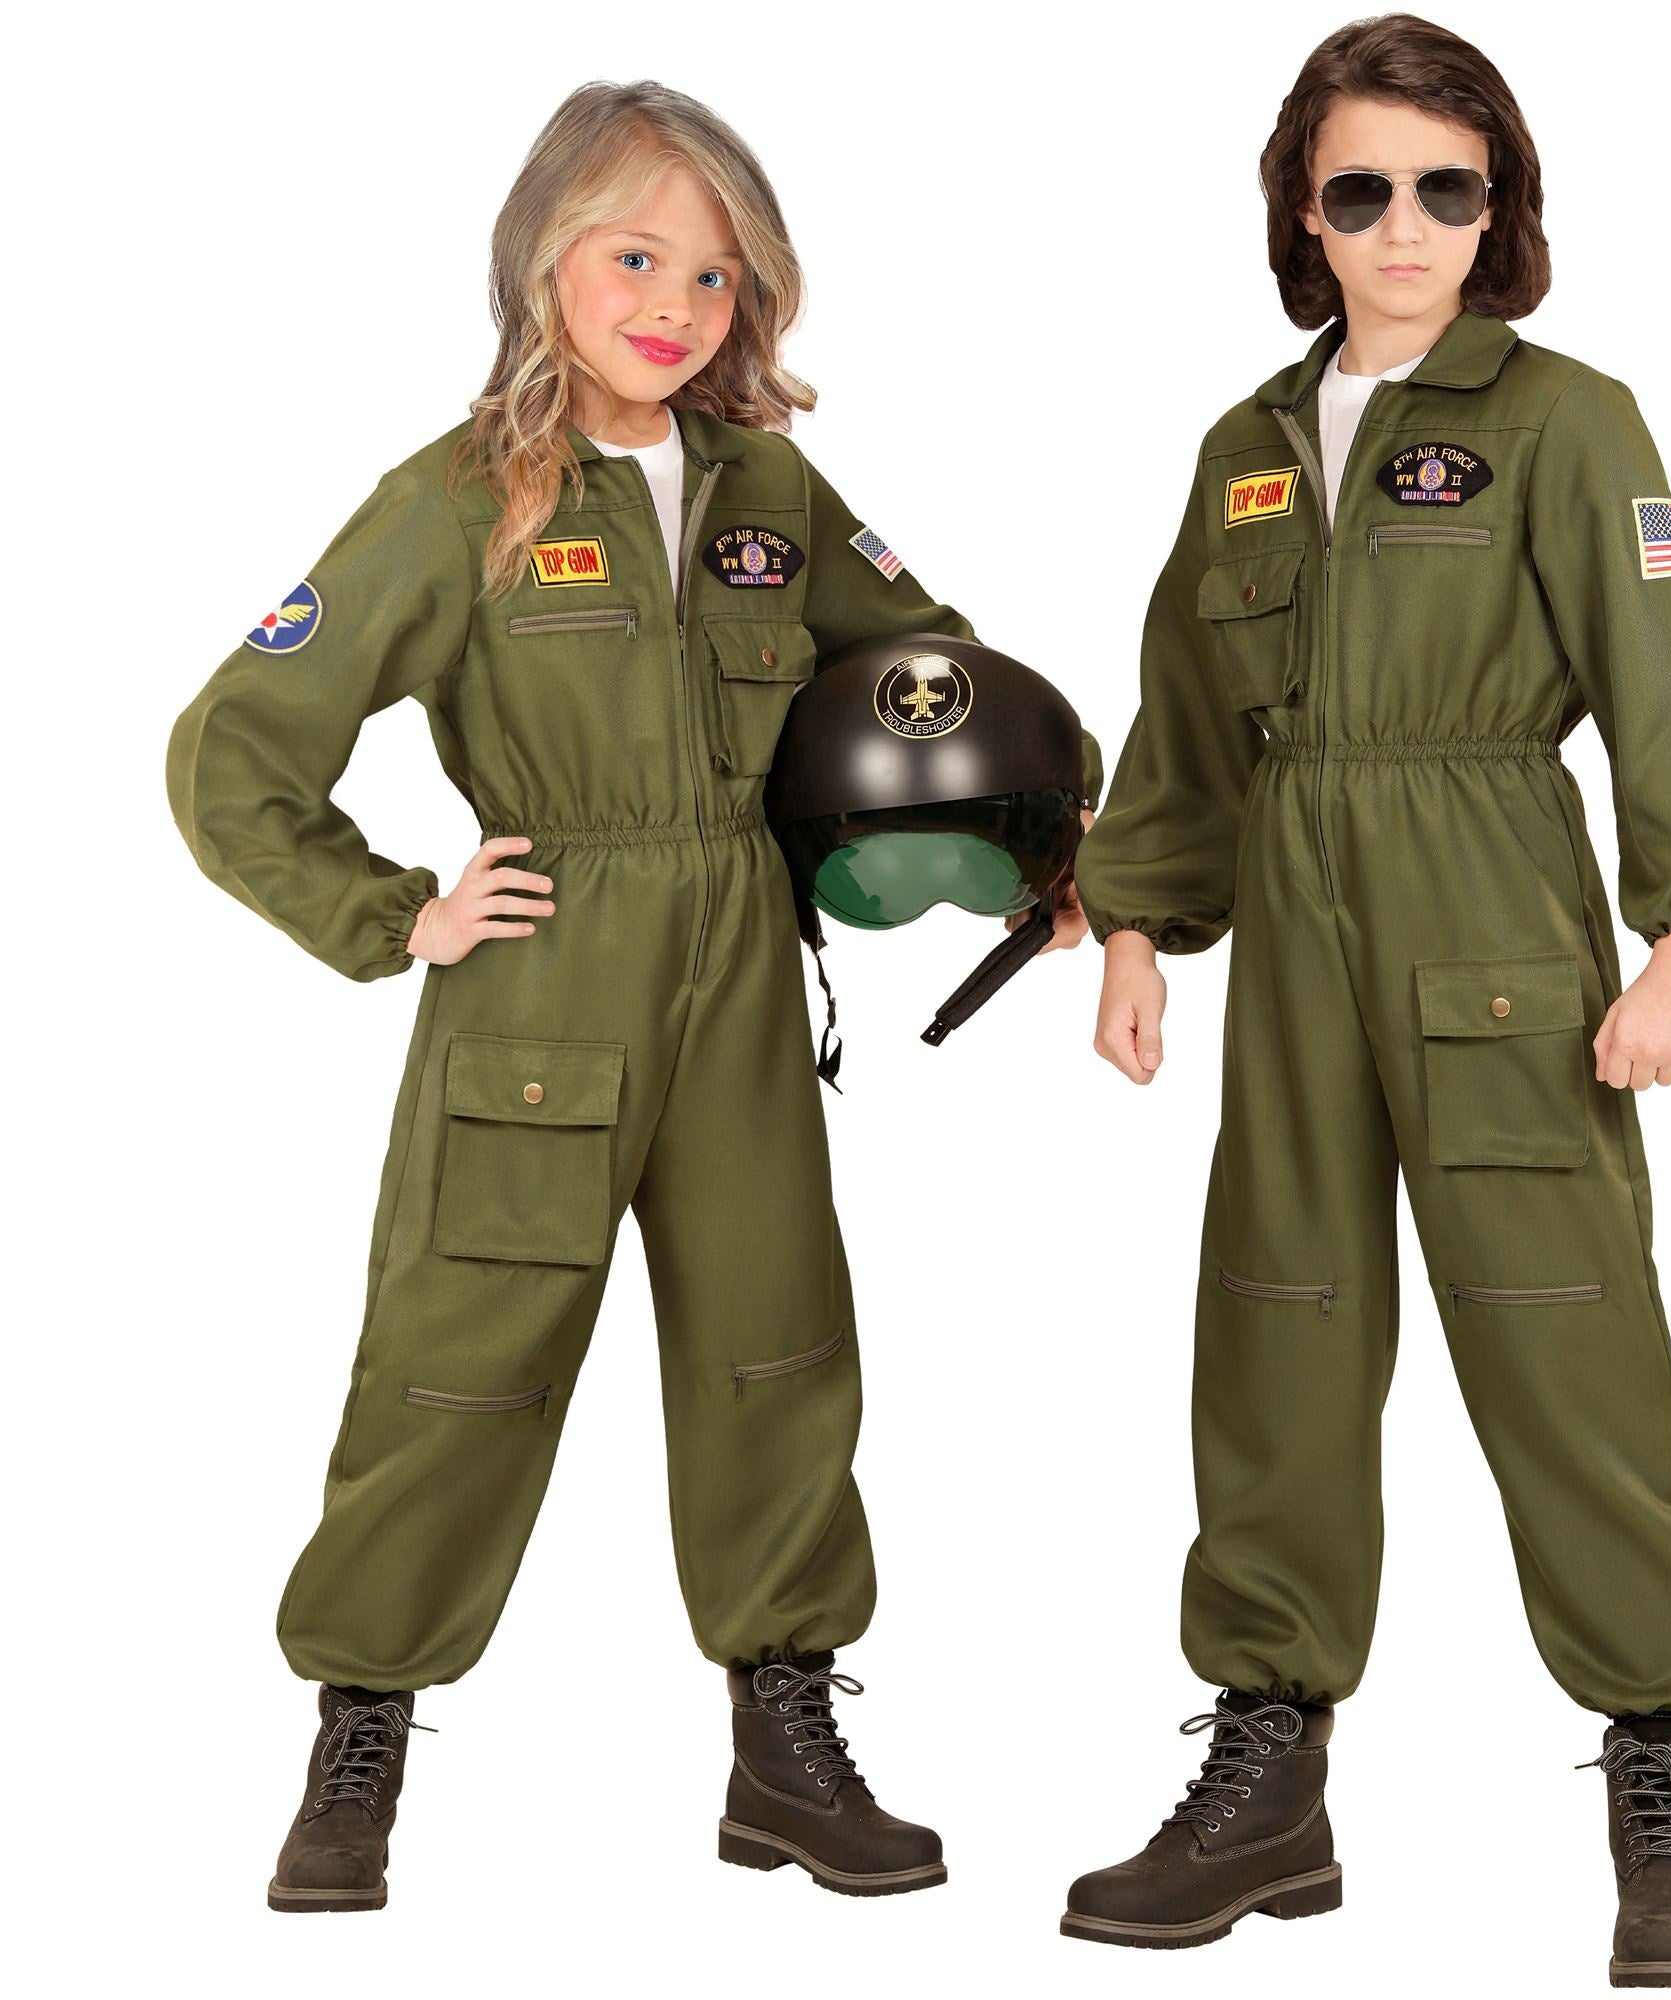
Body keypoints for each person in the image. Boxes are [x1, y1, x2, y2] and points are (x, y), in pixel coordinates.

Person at [167, 79, 1093, 1914]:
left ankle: (784, 1741)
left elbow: (935, 677)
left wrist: (1036, 843)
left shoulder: (771, 493)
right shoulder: (458, 500)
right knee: (460, 1359)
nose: (676, 305)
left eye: (717, 275)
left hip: (740, 968)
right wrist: (394, 916)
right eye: (637, 258)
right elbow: (230, 751)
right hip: (543, 983)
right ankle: (361, 1736)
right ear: (544, 260)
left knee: (776, 1351)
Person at [1063, 17, 1671, 1985]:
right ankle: (1268, 1767)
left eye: (1446, 189)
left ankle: (1663, 1760)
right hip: (1296, 917)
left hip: (1492, 910)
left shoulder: (1567, 421)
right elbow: (1186, 708)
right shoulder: (1245, 450)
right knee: (1277, 1321)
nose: (1403, 225)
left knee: (1565, 1335)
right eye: (1360, 188)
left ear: (1495, 207)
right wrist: (1137, 924)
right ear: (1306, 209)